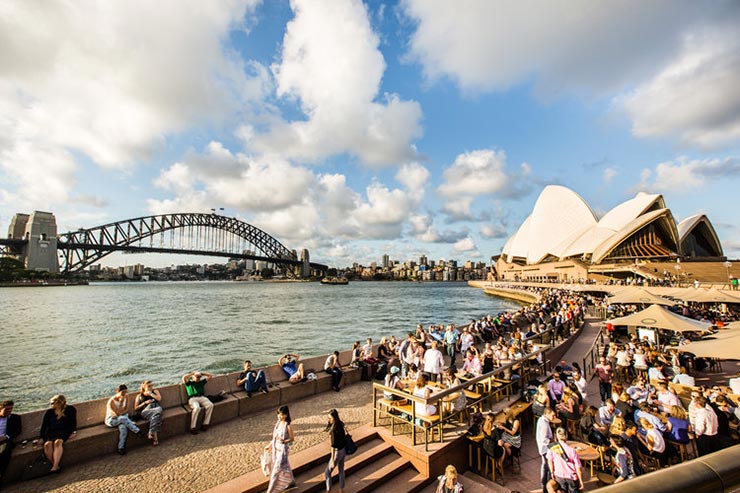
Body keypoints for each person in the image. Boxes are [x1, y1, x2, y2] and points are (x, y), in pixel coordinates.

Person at [40, 395, 77, 473]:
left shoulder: (70, 410)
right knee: (47, 444)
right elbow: (44, 425)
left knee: (58, 442)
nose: (51, 405)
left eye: (53, 403)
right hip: (51, 432)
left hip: (64, 431)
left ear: (59, 403)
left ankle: (55, 466)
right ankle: (55, 465)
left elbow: (73, 423)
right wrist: (41, 437)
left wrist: (73, 432)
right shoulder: (49, 412)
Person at [105, 384, 141, 455]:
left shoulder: (126, 397)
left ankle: (121, 448)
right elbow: (116, 414)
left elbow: (127, 409)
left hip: (123, 418)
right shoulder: (111, 401)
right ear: (117, 392)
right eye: (122, 392)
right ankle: (137, 431)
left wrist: (122, 411)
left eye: (125, 392)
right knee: (123, 418)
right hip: (111, 420)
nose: (124, 394)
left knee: (123, 428)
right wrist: (121, 404)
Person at [266, 406, 295, 493]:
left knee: (276, 470)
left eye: (282, 415)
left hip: (282, 451)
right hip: (276, 449)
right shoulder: (278, 423)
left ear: (286, 415)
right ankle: (291, 481)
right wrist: (270, 445)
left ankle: (271, 490)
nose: (280, 416)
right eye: (278, 414)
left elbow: (292, 439)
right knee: (286, 466)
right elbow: (275, 437)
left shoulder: (288, 425)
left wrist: (285, 441)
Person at [546, 427, 584, 493]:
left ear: (556, 436)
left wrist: (552, 472)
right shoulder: (572, 451)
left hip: (559, 476)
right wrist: (581, 480)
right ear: (566, 436)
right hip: (572, 477)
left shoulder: (553, 448)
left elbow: (550, 461)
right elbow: (578, 468)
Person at [134, 381, 163, 446]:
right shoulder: (139, 395)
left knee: (155, 417)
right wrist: (145, 403)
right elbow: (135, 408)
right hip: (146, 411)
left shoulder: (155, 391)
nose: (151, 387)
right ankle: (152, 434)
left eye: (151, 385)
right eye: (149, 386)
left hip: (155, 408)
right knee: (159, 410)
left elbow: (159, 399)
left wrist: (151, 394)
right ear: (144, 387)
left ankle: (154, 438)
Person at [324, 409, 347, 493]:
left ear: (334, 418)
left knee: (327, 472)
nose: (329, 420)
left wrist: (333, 460)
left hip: (337, 452)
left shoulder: (334, 429)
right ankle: (341, 489)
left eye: (330, 418)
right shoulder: (341, 424)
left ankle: (328, 490)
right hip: (343, 450)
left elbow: (333, 446)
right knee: (341, 469)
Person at [0, 400, 21, 484]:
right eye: (7, 409)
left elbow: (18, 431)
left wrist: (6, 437)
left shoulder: (15, 418)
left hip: (6, 440)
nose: (9, 411)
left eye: (11, 409)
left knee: (4, 453)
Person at [537, 407, 555, 493]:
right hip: (545, 449)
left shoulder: (542, 420)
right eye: (553, 415)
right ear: (547, 414)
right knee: (547, 469)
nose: (554, 417)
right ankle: (546, 488)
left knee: (544, 467)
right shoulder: (544, 424)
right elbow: (544, 439)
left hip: (543, 449)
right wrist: (552, 441)